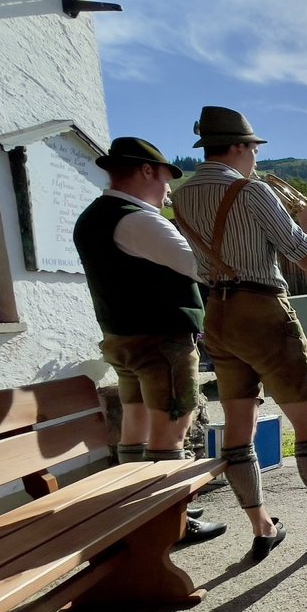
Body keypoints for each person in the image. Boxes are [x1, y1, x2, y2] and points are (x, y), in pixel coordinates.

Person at [172, 106, 307, 561]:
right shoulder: (251, 190)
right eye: (253, 148)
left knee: (238, 425)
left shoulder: (180, 197)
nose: (256, 156)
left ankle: (262, 527)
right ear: (237, 147)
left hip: (215, 312)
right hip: (261, 308)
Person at [73, 137, 226, 546]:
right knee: (170, 431)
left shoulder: (92, 217)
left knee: (136, 429)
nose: (168, 189)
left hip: (123, 339)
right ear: (145, 171)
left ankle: (137, 507)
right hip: (161, 341)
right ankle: (170, 520)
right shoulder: (140, 219)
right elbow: (203, 267)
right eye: (165, 178)